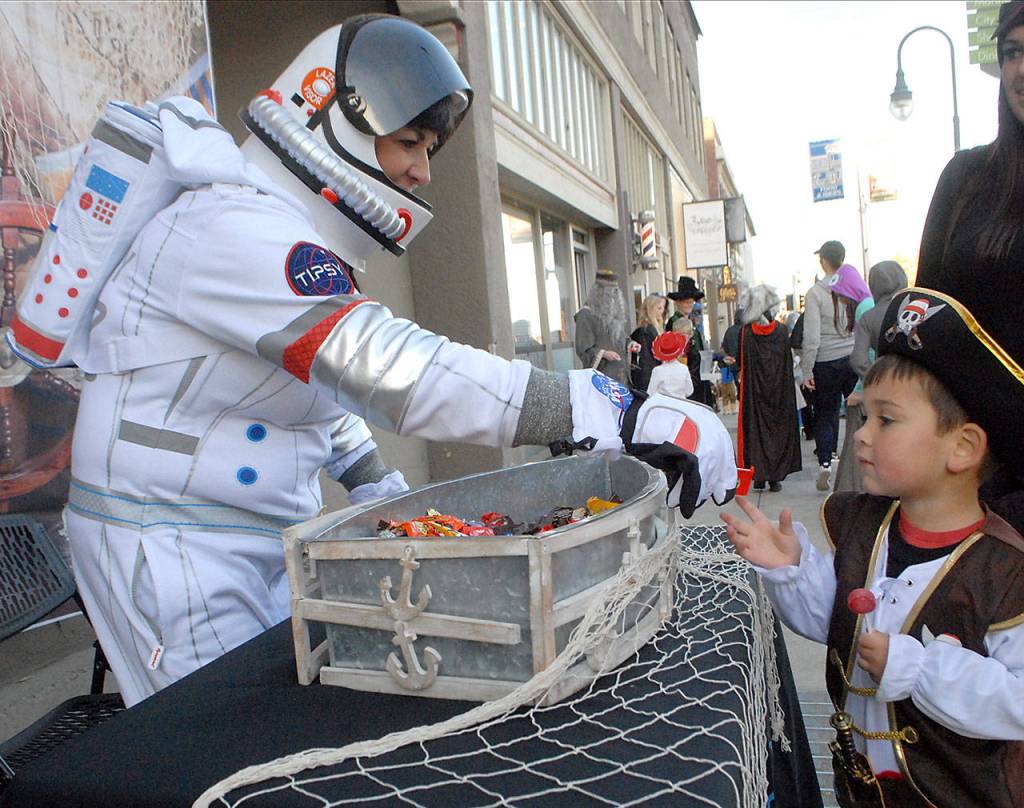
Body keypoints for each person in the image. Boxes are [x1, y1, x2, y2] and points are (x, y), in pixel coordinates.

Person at [12, 16, 735, 706]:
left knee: (272, 732)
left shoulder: (276, 231)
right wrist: (606, 406)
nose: (422, 171)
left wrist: (380, 494)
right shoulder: (232, 227)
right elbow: (389, 369)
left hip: (243, 536)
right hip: (170, 545)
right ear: (333, 119)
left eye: (428, 149)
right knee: (218, 754)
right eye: (410, 143)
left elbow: (317, 397)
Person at [722, 288, 1024, 808]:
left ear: (964, 447)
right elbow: (839, 623)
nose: (860, 436)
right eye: (863, 417)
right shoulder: (867, 525)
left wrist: (918, 669)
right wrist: (793, 569)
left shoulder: (1005, 570)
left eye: (885, 420)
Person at [916, 0, 1024, 533]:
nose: (1021, 69)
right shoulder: (966, 179)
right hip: (976, 489)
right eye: (1012, 53)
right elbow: (922, 321)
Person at [800, 241, 858, 492]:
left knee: (825, 414)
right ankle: (861, 464)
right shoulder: (854, 287)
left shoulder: (816, 293)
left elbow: (811, 336)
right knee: (858, 412)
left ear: (824, 261)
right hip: (852, 356)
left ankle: (825, 464)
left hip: (826, 361)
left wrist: (806, 370)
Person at [735, 285, 801, 493]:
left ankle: (758, 475)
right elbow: (787, 363)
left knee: (755, 431)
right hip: (779, 392)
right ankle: (774, 476)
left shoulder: (746, 333)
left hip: (755, 394)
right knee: (777, 431)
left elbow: (741, 362)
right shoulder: (781, 332)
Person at [825, 264, 872, 493]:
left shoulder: (864, 308)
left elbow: (865, 356)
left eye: (841, 296)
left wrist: (860, 389)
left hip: (868, 385)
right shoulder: (868, 304)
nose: (841, 301)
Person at [574, 268, 631, 383]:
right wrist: (603, 354)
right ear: (598, 293)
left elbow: (622, 340)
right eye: (610, 292)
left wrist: (631, 344)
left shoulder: (615, 316)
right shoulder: (586, 314)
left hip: (621, 377)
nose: (613, 296)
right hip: (601, 378)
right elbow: (583, 350)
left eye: (616, 291)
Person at [666, 276, 714, 407]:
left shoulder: (692, 323)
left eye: (691, 302)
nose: (689, 305)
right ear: (678, 302)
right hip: (687, 375)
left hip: (697, 374)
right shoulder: (674, 323)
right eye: (686, 302)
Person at [629, 293, 667, 391]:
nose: (662, 312)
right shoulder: (646, 331)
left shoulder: (648, 330)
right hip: (649, 378)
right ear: (651, 310)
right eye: (659, 308)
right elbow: (646, 360)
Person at [647, 330, 692, 400]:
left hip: (664, 407)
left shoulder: (657, 371)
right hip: (681, 406)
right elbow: (689, 391)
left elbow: (650, 393)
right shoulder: (684, 369)